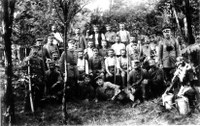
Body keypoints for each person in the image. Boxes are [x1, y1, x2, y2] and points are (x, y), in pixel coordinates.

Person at [21, 45, 46, 112]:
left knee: (38, 93)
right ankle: (26, 109)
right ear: (31, 50)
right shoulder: (28, 59)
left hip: (38, 79)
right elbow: (22, 68)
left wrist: (43, 78)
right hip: (29, 78)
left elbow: (43, 70)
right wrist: (26, 62)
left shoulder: (40, 60)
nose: (35, 51)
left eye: (36, 50)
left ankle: (35, 107)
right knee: (28, 93)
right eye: (34, 50)